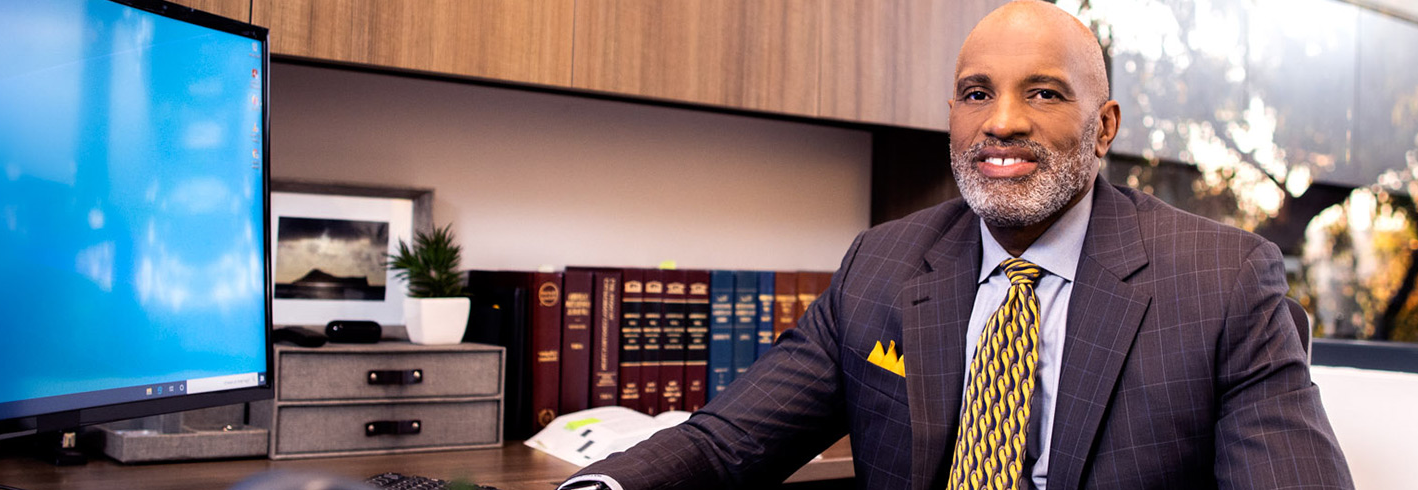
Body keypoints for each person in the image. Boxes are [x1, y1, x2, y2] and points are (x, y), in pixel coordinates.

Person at [561, 2, 1353, 488]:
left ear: (1103, 127)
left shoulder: (1222, 280)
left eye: (1043, 93)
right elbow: (726, 444)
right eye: (977, 94)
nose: (1001, 121)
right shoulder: (883, 263)